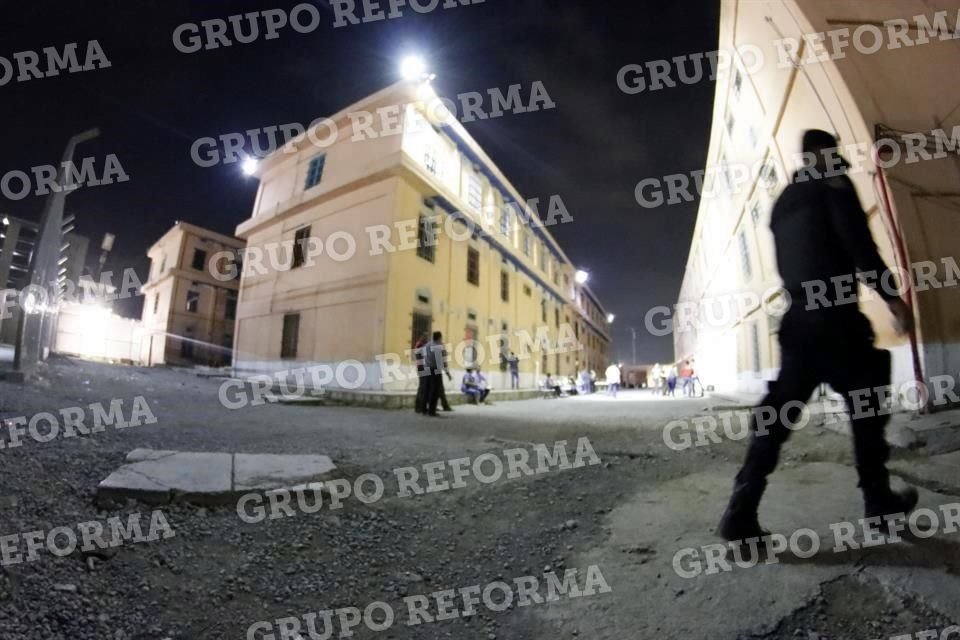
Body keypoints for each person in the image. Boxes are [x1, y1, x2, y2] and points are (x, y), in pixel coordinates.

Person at [718, 129, 918, 543]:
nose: (838, 157)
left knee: (774, 418)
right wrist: (892, 298)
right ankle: (878, 503)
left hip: (798, 323)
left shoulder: (783, 203)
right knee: (867, 410)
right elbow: (859, 244)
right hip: (839, 321)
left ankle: (740, 511)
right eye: (834, 150)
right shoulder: (833, 183)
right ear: (820, 152)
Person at [424, 331, 453, 417]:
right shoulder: (439, 346)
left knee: (426, 389)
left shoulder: (428, 345)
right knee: (435, 391)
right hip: (435, 369)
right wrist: (448, 373)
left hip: (426, 368)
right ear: (440, 337)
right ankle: (431, 411)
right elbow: (443, 362)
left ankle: (423, 409)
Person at [413, 333, 428, 414]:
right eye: (425, 337)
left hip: (423, 367)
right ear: (422, 337)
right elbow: (420, 357)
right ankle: (418, 406)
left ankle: (422, 406)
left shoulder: (422, 345)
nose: (427, 339)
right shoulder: (419, 345)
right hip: (421, 368)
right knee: (422, 387)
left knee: (423, 387)